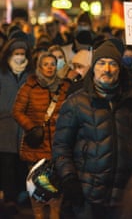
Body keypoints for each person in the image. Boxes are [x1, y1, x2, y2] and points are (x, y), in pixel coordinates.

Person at [52, 40, 132, 218]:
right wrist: (69, 178)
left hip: (122, 197)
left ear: (119, 69)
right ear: (93, 68)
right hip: (86, 197)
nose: (106, 69)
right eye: (101, 63)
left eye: (112, 64)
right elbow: (61, 146)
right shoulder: (76, 102)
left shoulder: (129, 103)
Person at [12, 52, 71, 219]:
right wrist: (32, 128)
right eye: (46, 64)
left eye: (53, 64)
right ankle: (38, 215)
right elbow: (17, 111)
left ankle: (54, 215)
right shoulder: (29, 87)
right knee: (37, 186)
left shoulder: (64, 87)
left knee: (56, 188)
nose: (50, 67)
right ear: (39, 66)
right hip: (36, 147)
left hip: (57, 146)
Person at [0, 38, 33, 207]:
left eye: (22, 54)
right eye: (16, 54)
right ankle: (10, 198)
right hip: (4, 128)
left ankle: (21, 196)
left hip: (23, 128)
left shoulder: (30, 75)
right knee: (6, 164)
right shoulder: (2, 74)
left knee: (21, 165)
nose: (19, 57)